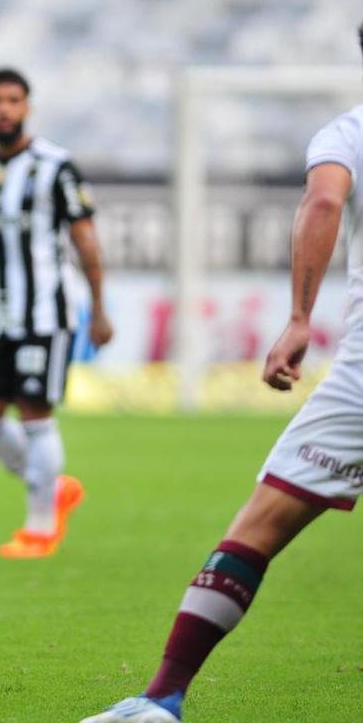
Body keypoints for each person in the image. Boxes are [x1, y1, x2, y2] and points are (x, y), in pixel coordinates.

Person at [81, 44, 363, 723]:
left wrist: (299, 317)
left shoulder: (349, 133)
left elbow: (324, 197)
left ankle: (162, 696)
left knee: (260, 526)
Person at [0, 67, 113, 559]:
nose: (4, 109)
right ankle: (55, 489)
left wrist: (99, 307)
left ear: (27, 106)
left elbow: (85, 240)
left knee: (35, 414)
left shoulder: (56, 166)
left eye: (13, 100)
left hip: (47, 317)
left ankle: (39, 527)